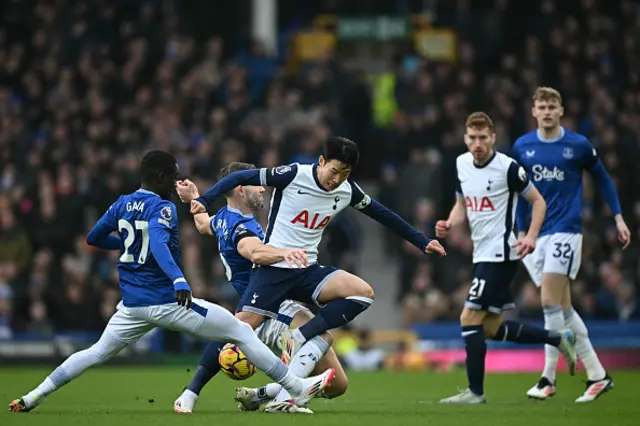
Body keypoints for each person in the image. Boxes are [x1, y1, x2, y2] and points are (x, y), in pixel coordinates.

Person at [8, 150, 334, 413]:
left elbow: (94, 237)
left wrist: (127, 243)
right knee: (239, 330)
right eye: (174, 174)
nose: (177, 179)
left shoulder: (121, 202)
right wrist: (178, 278)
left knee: (94, 353)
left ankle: (36, 394)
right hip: (167, 301)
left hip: (131, 306)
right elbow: (161, 246)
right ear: (162, 177)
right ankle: (295, 386)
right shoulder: (161, 207)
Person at [181, 136, 446, 410]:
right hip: (272, 274)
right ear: (320, 162)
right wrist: (204, 198)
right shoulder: (293, 176)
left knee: (361, 300)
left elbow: (384, 214)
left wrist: (422, 241)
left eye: (344, 174)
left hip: (305, 270)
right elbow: (245, 194)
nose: (336, 179)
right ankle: (199, 394)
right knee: (237, 328)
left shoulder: (347, 191)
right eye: (333, 171)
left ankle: (282, 366)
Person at [173, 161, 348, 414]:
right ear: (241, 189)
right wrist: (285, 252)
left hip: (257, 304)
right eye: (258, 185)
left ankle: (257, 395)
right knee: (321, 334)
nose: (264, 189)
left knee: (337, 385)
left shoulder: (222, 218)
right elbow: (253, 251)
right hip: (270, 306)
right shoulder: (243, 227)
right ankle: (285, 399)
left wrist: (194, 198)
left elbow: (201, 223)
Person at [437, 112, 577, 404]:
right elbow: (461, 203)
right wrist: (450, 223)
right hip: (482, 252)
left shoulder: (508, 168)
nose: (477, 144)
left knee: (468, 317)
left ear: (493, 138)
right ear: (465, 139)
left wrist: (530, 236)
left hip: (502, 253)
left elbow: (538, 201)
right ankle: (557, 338)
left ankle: (475, 392)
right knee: (489, 327)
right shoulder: (461, 164)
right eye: (472, 138)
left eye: (483, 138)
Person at [512, 87, 631, 402]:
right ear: (533, 111)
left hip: (567, 230)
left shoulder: (577, 145)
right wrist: (521, 231)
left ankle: (548, 378)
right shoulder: (522, 146)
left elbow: (603, 179)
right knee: (563, 309)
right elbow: (520, 193)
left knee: (548, 300)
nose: (548, 111)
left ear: (561, 111)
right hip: (536, 235)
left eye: (553, 106)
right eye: (542, 106)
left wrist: (618, 217)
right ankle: (598, 375)